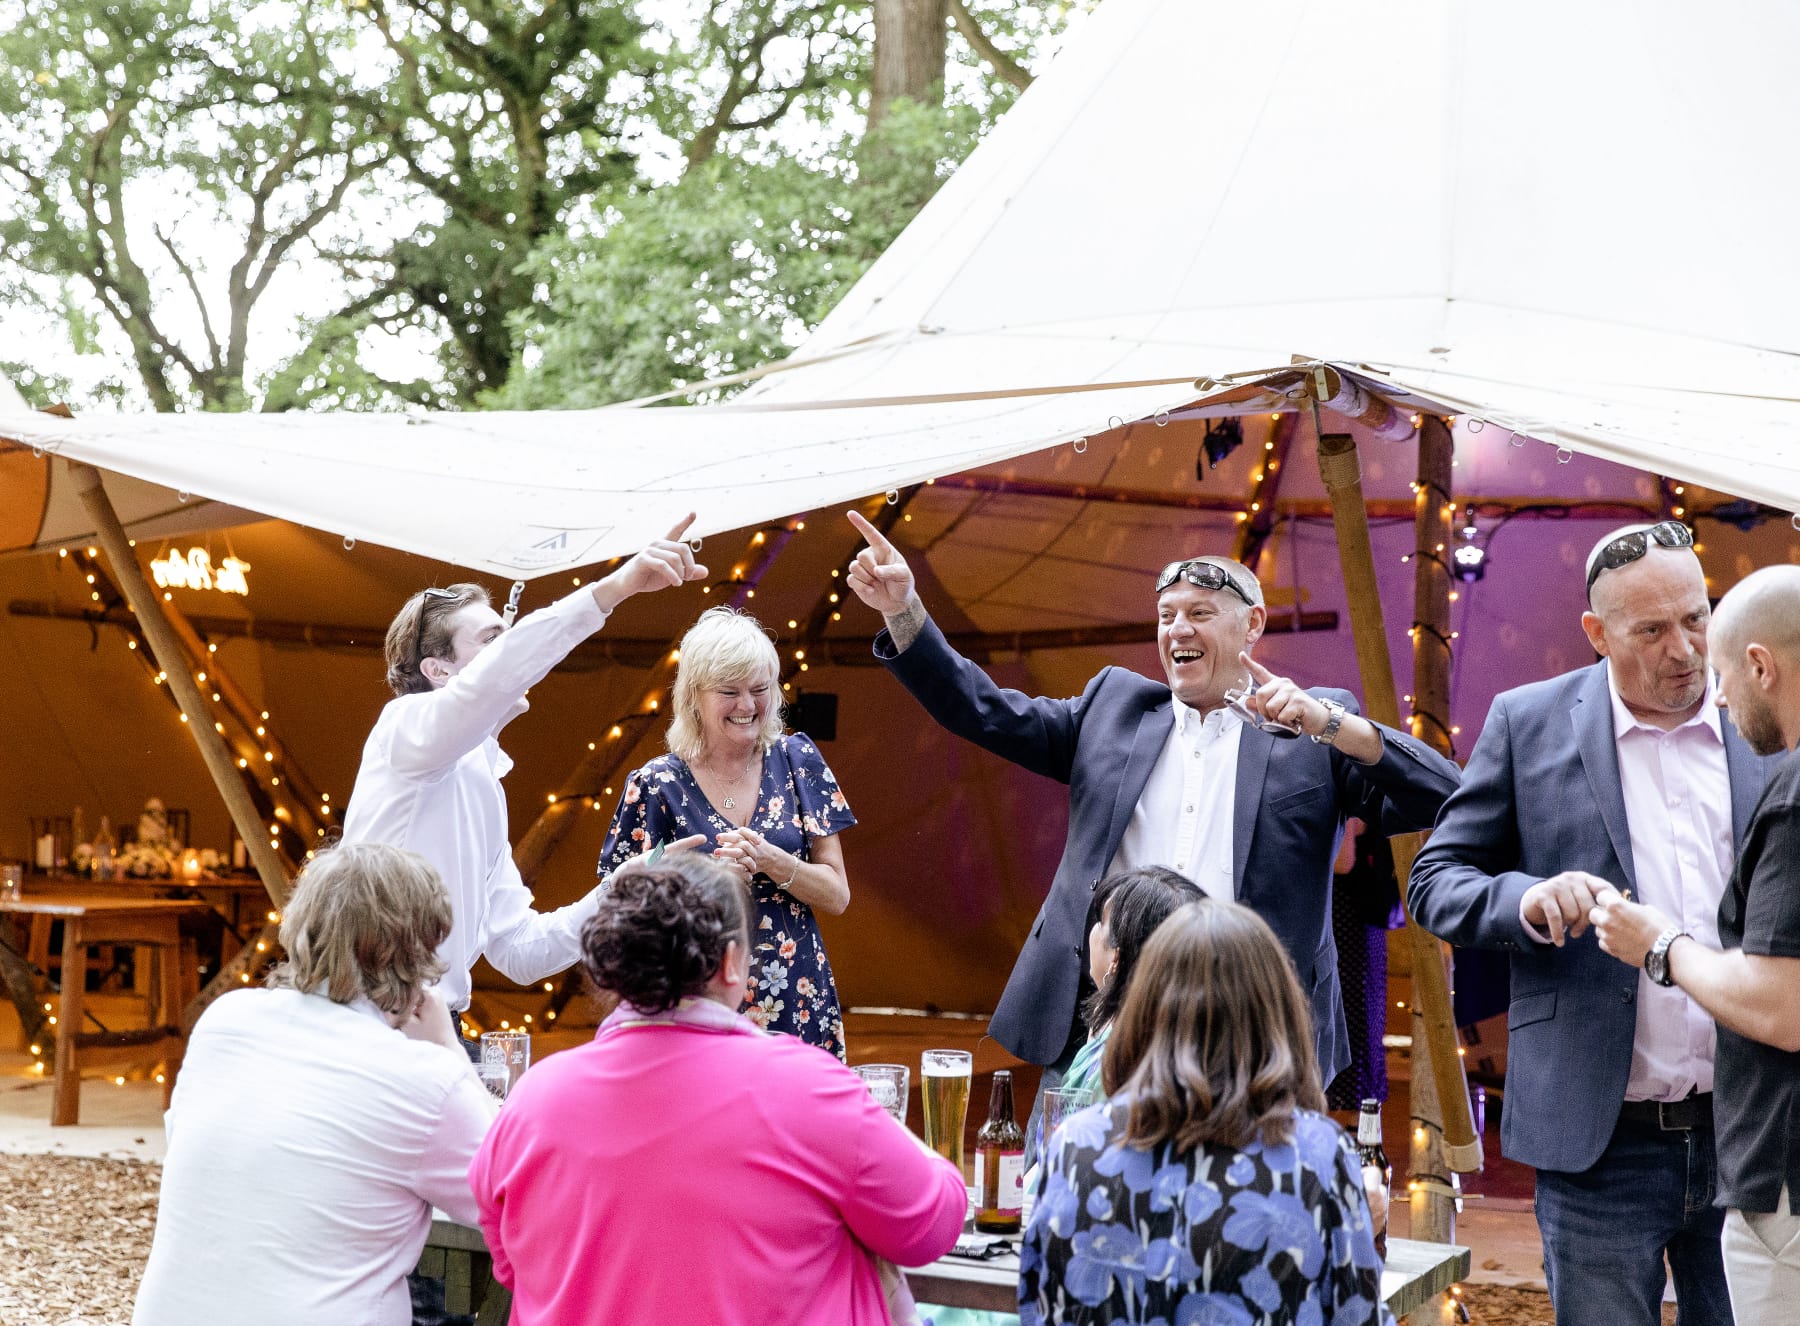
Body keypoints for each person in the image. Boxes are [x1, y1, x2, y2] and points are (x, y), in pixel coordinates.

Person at [844, 510, 1460, 1101]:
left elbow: (1443, 793)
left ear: (1253, 624)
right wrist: (904, 610)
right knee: (1069, 1171)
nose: (1178, 629)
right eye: (1167, 615)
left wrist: (1333, 726)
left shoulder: (1312, 727)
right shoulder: (1113, 709)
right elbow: (982, 711)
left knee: (1232, 1178)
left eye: (1200, 613)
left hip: (1249, 1023)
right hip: (1104, 1017)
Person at [1409, 522, 1779, 1326]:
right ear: (1597, 633)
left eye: (1696, 618)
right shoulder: (1528, 721)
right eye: (1651, 630)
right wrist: (1526, 900)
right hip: (1598, 1138)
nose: (1684, 649)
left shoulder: (1765, 713)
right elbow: (1434, 882)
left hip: (1754, 1127)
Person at [469, 853, 966, 1326]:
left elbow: (511, 1263)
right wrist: (881, 1118)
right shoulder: (808, 1086)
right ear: (731, 962)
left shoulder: (533, 1099)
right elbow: (932, 1224)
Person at [341, 517, 706, 1028]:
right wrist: (615, 588)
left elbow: (519, 950)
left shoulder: (481, 779)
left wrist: (619, 888)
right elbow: (493, 680)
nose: (511, 651)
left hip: (437, 1027)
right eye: (492, 640)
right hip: (371, 1022)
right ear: (438, 670)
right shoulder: (404, 728)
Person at [133, 843, 496, 1326]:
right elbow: (518, 1194)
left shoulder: (225, 1020)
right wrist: (450, 1050)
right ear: (416, 952)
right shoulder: (424, 1077)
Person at [1590, 565, 1800, 1323]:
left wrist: (1661, 945)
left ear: (1760, 665)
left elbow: (1782, 1007)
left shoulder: (1794, 795)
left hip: (1784, 1176)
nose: (1719, 698)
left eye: (1722, 671)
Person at [1020, 899, 1392, 1326]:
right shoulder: (1321, 1157)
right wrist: (1361, 1211)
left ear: (1144, 1007)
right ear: (1278, 1016)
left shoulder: (1075, 1147)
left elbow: (1039, 1306)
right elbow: (1358, 1317)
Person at [598, 605, 856, 1057]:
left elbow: (837, 896)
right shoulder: (657, 785)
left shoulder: (798, 761)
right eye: (729, 692)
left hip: (797, 999)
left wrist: (773, 861)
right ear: (693, 697)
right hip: (694, 1005)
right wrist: (707, 884)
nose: (748, 706)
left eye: (760, 689)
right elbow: (619, 902)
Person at [1062, 865, 1204, 1100]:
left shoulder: (1117, 1062)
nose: (1093, 931)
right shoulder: (1196, 1044)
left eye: (1100, 922)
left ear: (1116, 957)